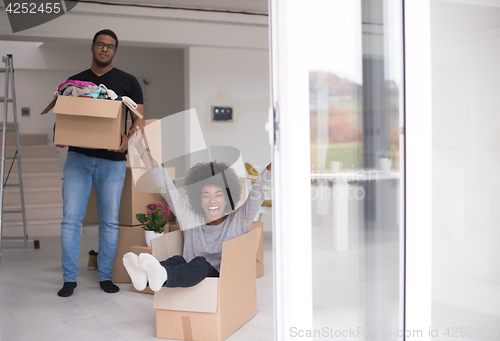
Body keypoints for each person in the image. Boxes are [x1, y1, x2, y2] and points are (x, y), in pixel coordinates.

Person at [122, 128, 271, 291]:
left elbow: (260, 189)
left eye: (218, 195)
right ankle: (145, 276)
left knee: (200, 263)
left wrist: (280, 153)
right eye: (206, 195)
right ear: (199, 200)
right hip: (188, 274)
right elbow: (165, 185)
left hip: (217, 277)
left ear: (228, 197)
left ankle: (163, 276)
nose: (212, 200)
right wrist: (139, 146)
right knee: (177, 260)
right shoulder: (190, 219)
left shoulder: (239, 220)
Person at [57, 29, 145, 297]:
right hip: (77, 158)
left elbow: (138, 119)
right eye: (100, 44)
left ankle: (105, 277)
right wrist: (58, 134)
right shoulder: (76, 81)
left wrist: (128, 139)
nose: (104, 49)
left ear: (115, 51)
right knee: (71, 220)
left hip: (113, 160)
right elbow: (64, 116)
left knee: (109, 222)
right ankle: (69, 279)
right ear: (92, 47)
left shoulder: (128, 82)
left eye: (110, 46)